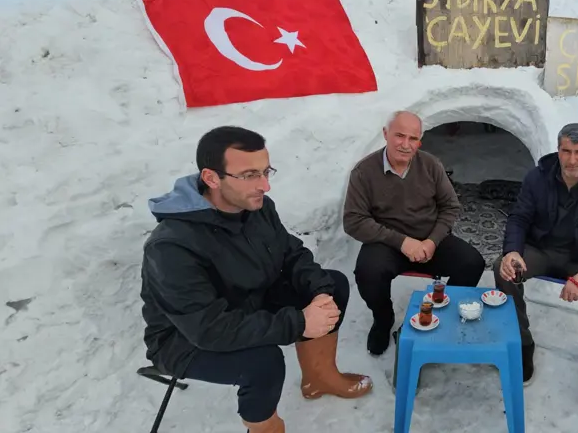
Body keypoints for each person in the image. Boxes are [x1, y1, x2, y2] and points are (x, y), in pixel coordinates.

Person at [140, 126, 372, 433]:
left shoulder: (256, 206)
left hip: (249, 300)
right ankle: (266, 428)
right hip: (186, 338)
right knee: (263, 363)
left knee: (333, 285)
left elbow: (290, 253)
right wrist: (299, 322)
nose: (265, 185)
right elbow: (208, 329)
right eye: (250, 175)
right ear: (211, 178)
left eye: (266, 172)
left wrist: (318, 293)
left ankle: (320, 377)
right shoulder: (172, 245)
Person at [493, 122, 578, 420]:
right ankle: (522, 342)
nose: (572, 160)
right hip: (541, 250)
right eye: (566, 151)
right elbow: (519, 218)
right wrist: (513, 250)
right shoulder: (537, 177)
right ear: (558, 149)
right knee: (502, 269)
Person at [343, 110, 485, 355]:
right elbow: (353, 220)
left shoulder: (430, 165)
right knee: (368, 272)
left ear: (420, 141)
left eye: (413, 138)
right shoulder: (364, 172)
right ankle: (383, 318)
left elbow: (450, 206)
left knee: (472, 262)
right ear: (386, 134)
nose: (406, 145)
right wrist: (402, 242)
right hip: (388, 243)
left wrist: (432, 241)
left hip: (430, 239)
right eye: (399, 136)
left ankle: (437, 314)